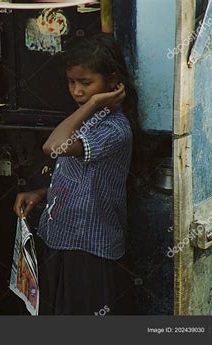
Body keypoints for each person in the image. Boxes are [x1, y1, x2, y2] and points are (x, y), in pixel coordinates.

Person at [13, 33, 137, 315]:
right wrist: (41, 194)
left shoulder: (114, 130)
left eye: (86, 83)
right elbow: (79, 179)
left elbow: (53, 146)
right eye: (71, 82)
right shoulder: (85, 118)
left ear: (112, 81)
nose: (77, 92)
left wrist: (94, 104)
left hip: (88, 251)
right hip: (59, 239)